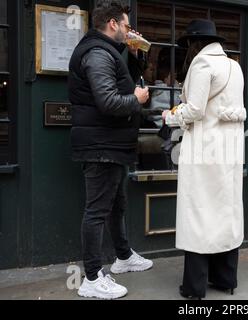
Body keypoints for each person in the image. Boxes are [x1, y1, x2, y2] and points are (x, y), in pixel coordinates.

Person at [68, 0, 153, 299]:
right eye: (127, 25)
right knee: (97, 212)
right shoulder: (96, 54)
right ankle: (91, 278)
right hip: (101, 144)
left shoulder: (106, 51)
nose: (130, 30)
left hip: (110, 144)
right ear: (113, 24)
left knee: (117, 206)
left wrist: (134, 54)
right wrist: (138, 100)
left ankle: (123, 256)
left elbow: (119, 84)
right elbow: (108, 101)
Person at [162, 19, 246, 299]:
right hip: (229, 152)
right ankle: (225, 278)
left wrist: (169, 116)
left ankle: (194, 287)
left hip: (203, 150)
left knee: (198, 214)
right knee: (226, 212)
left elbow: (195, 110)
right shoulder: (234, 66)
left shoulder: (201, 64)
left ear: (194, 43)